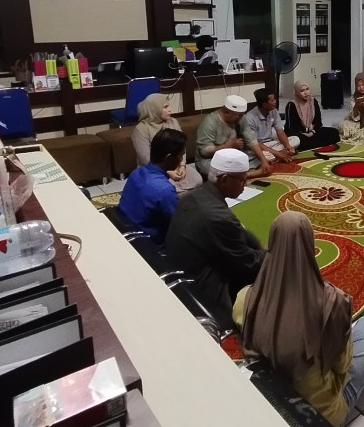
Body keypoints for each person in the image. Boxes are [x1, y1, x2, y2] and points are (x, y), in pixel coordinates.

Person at [233, 211, 364, 427]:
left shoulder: (245, 298)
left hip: (272, 403)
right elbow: (342, 366)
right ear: (310, 245)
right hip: (319, 419)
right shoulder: (332, 302)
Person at [165, 148, 266, 327]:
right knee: (270, 269)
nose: (245, 185)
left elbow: (238, 234)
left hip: (179, 273)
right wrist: (271, 253)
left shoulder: (192, 196)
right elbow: (248, 263)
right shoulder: (218, 217)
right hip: (200, 292)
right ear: (224, 179)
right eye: (242, 180)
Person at [116, 128, 185, 244]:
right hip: (147, 244)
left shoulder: (136, 173)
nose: (181, 159)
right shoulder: (164, 190)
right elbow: (180, 223)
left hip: (123, 229)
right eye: (181, 155)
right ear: (169, 158)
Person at [131, 93, 202, 193]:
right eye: (165, 107)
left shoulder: (173, 122)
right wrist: (168, 172)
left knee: (197, 180)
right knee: (167, 187)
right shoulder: (141, 129)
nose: (170, 110)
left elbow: (181, 147)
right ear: (154, 109)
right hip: (153, 169)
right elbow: (146, 158)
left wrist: (182, 165)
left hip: (176, 163)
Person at [195, 95, 272, 178]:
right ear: (227, 112)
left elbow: (251, 141)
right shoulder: (210, 122)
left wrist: (263, 161)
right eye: (239, 115)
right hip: (211, 159)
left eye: (242, 115)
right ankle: (247, 174)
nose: (241, 118)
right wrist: (228, 146)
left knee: (260, 157)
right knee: (219, 171)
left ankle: (239, 175)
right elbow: (205, 151)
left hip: (234, 156)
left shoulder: (240, 118)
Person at [243, 88, 300, 164]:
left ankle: (279, 155)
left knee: (296, 139)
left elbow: (280, 132)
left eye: (274, 99)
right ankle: (279, 155)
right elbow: (255, 143)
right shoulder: (250, 117)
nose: (275, 102)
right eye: (272, 100)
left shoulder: (274, 111)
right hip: (258, 146)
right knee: (260, 155)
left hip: (271, 143)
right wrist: (277, 153)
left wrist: (287, 146)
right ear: (264, 105)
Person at [284, 80, 340, 151]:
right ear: (297, 92)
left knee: (334, 132)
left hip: (313, 131)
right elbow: (292, 128)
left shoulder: (313, 101)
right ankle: (312, 144)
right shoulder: (291, 105)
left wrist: (312, 132)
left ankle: (310, 145)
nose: (306, 93)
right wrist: (306, 132)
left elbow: (318, 122)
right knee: (298, 140)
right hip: (298, 134)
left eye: (307, 89)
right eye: (302, 91)